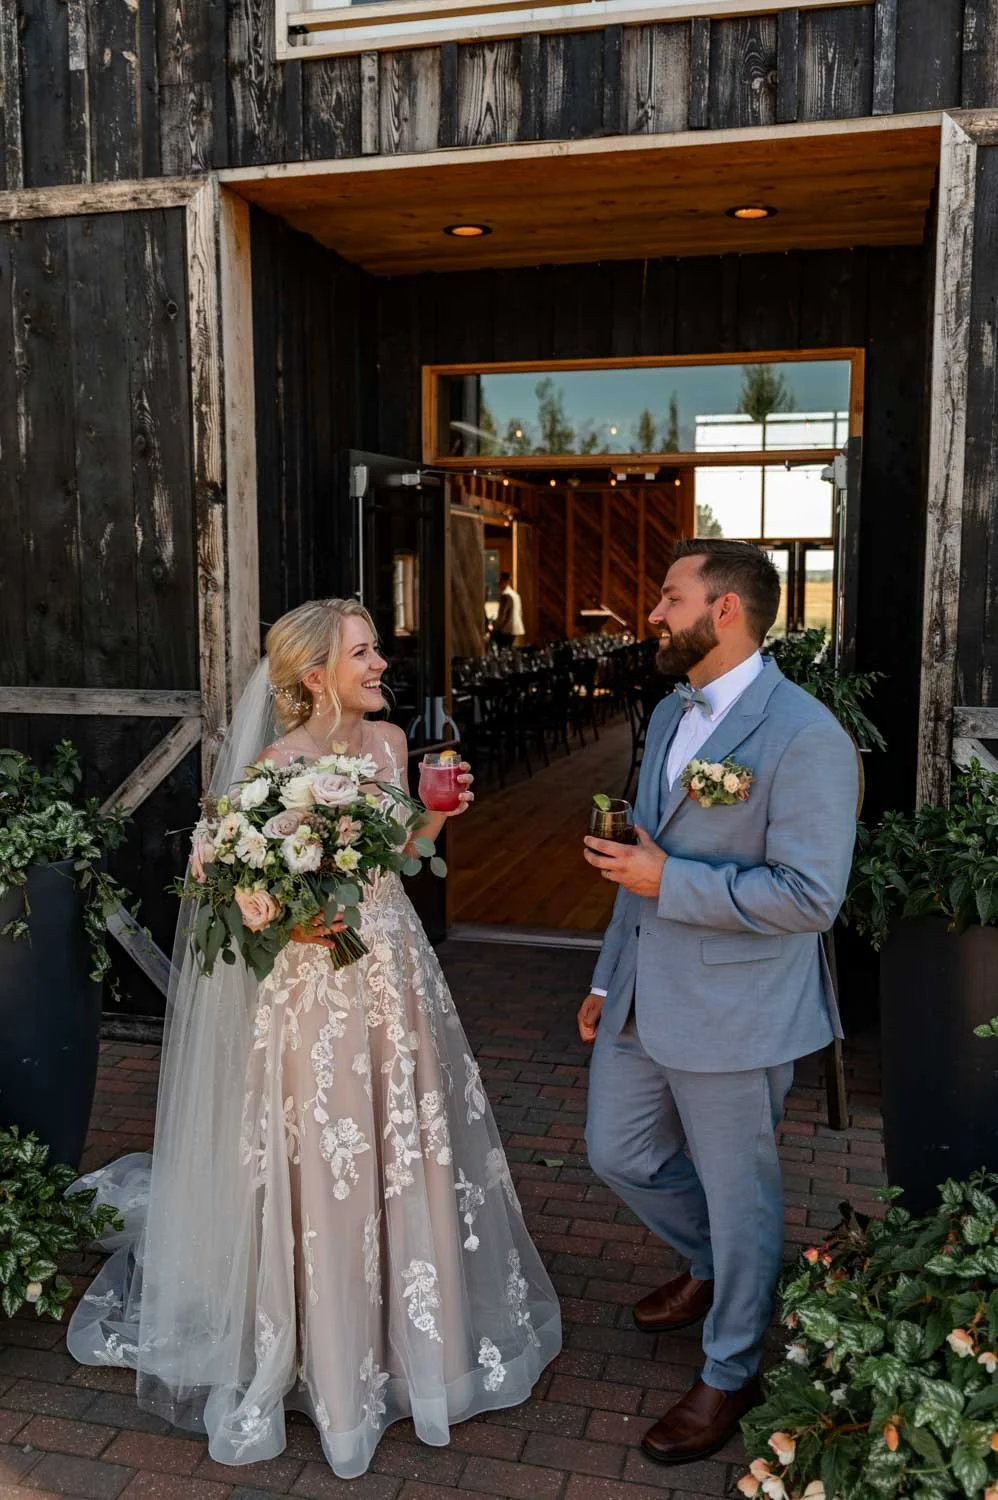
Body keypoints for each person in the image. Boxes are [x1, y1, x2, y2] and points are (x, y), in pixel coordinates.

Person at [68, 598, 561, 1478]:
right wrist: (282, 918)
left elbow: (400, 856)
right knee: (328, 1156)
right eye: (362, 653)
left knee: (405, 1142)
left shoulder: (392, 745)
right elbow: (226, 893)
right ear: (315, 675)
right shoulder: (272, 770)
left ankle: (416, 1340)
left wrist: (438, 816)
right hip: (315, 992)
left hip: (395, 973)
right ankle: (325, 1354)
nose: (380, 665)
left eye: (375, 650)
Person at [579, 539, 857, 1467]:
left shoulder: (807, 736)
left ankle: (731, 1367)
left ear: (725, 609)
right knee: (616, 1151)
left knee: (744, 1196)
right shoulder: (670, 711)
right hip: (642, 989)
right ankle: (717, 1268)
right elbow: (642, 855)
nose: (654, 613)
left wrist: (672, 881)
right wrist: (606, 977)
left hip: (739, 1009)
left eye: (670, 597)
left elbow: (811, 898)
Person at [493, 572, 524, 649]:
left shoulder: (505, 595)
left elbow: (503, 614)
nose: (499, 584)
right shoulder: (516, 595)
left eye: (500, 581)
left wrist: (497, 627)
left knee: (502, 650)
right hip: (515, 628)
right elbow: (520, 612)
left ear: (505, 582)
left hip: (506, 629)